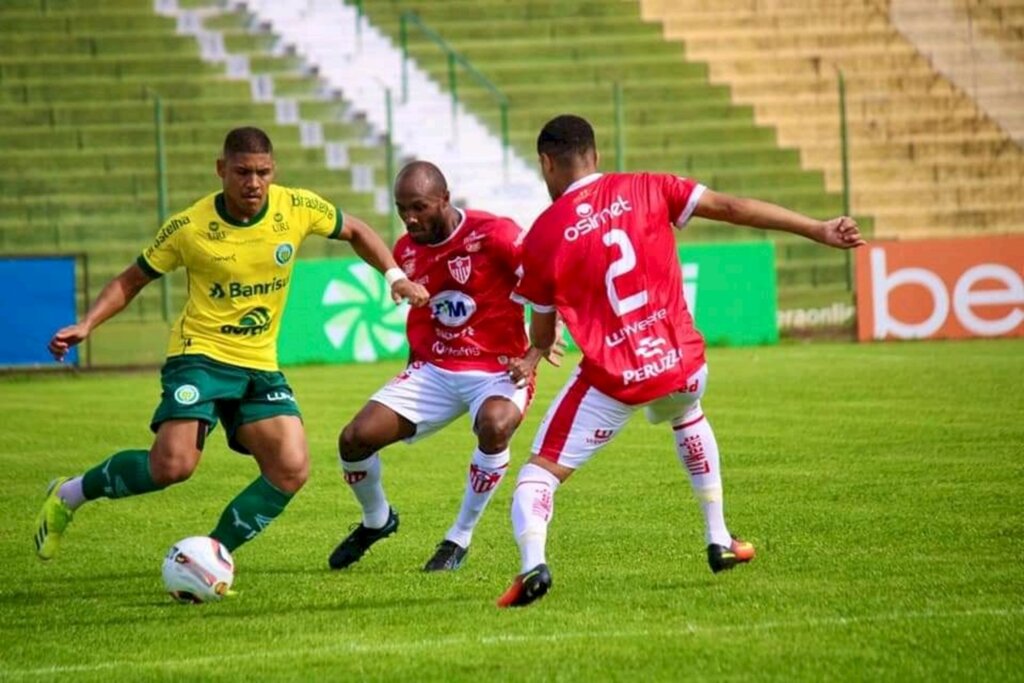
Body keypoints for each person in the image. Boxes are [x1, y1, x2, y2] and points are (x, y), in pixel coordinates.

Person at [497, 114, 867, 607]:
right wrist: (817, 228)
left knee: (538, 474)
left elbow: (543, 333)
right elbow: (733, 207)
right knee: (687, 412)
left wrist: (535, 352)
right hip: (680, 365)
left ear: (546, 163)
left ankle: (532, 565)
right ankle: (718, 538)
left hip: (615, 380)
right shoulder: (650, 187)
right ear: (597, 155)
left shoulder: (542, 236)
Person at [34, 126, 429, 566]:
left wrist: (396, 277)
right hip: (199, 355)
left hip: (258, 364)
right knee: (173, 466)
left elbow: (355, 230)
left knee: (291, 468)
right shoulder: (190, 227)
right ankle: (69, 493)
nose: (254, 183)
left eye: (263, 172)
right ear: (222, 170)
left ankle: (211, 557)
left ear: (273, 171)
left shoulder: (295, 207)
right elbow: (132, 279)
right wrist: (87, 323)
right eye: (243, 172)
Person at [327, 160, 562, 572]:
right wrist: (412, 369)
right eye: (402, 209)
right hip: (435, 370)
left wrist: (537, 350)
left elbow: (545, 281)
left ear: (445, 199)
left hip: (500, 369)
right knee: (354, 439)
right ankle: (376, 520)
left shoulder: (495, 235)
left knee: (495, 425)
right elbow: (422, 315)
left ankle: (459, 537)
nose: (410, 219)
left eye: (419, 207)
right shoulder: (405, 251)